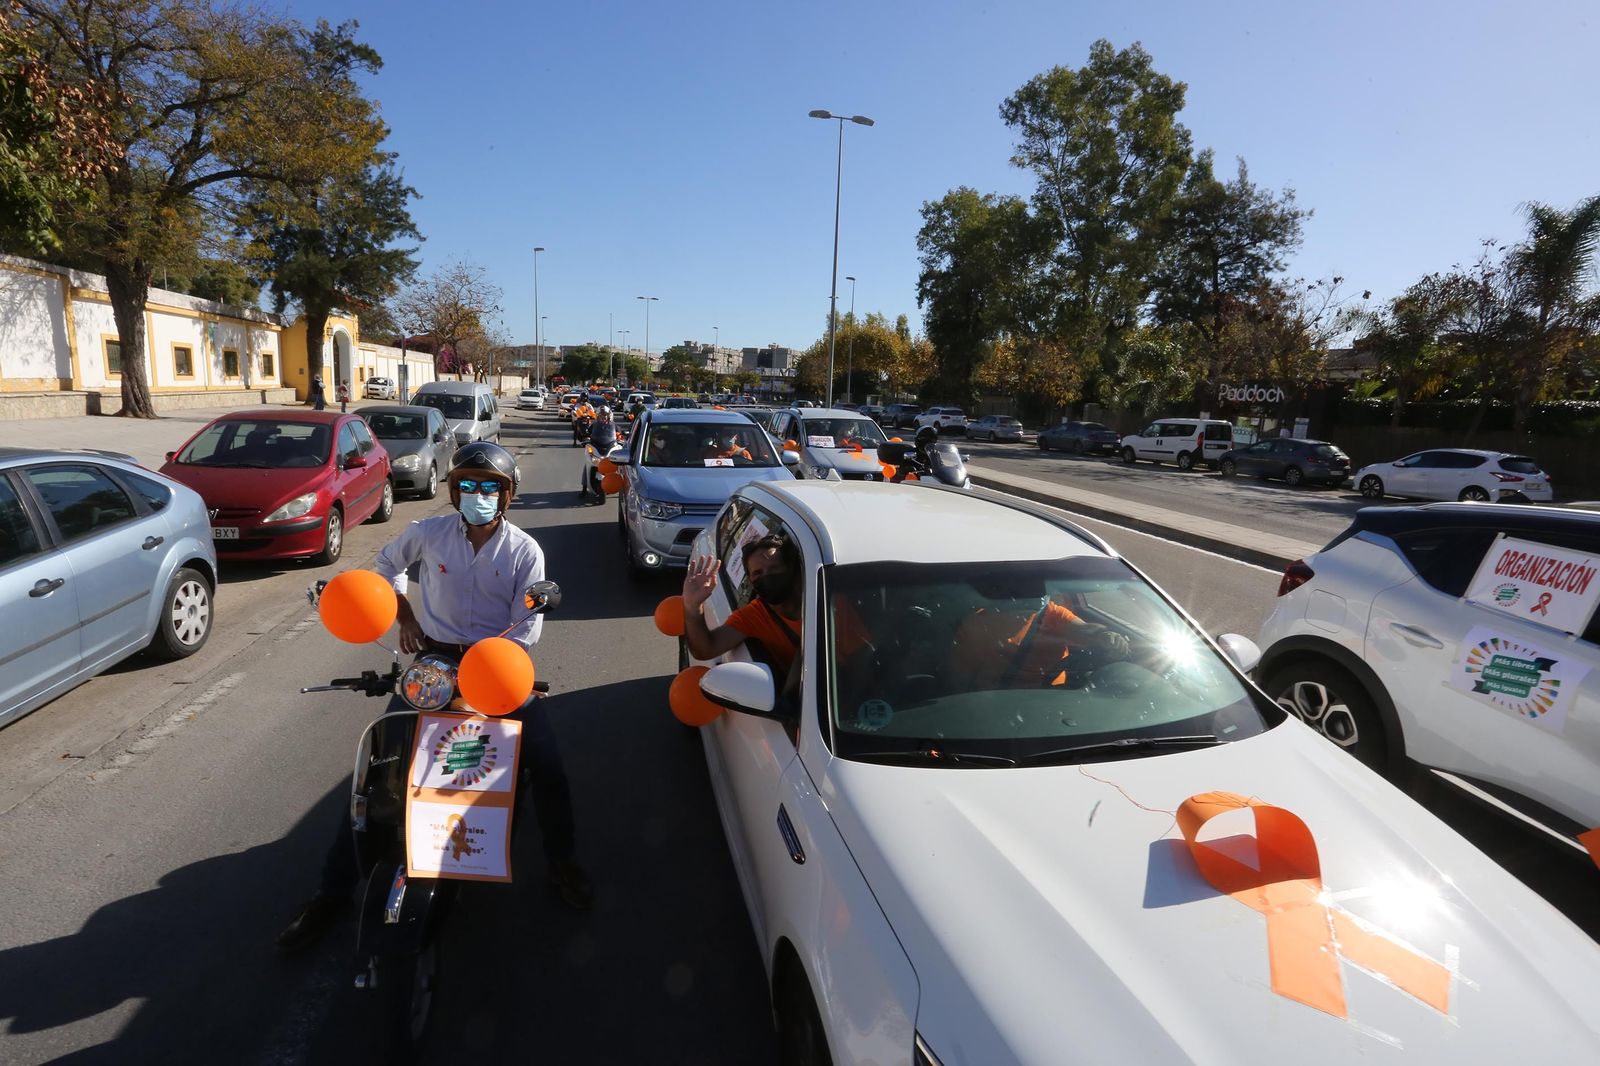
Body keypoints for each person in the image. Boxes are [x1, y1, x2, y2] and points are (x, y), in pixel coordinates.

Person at [276, 442, 594, 951]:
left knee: (548, 766)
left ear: (507, 495)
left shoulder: (524, 550)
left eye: (489, 486)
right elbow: (384, 568)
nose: (477, 494)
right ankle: (331, 893)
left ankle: (562, 861)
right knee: (378, 766)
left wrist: (488, 668)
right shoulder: (428, 532)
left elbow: (526, 626)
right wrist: (404, 615)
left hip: (497, 664)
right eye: (467, 484)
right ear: (453, 489)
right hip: (434, 663)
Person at [950, 583, 1130, 690]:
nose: (1038, 592)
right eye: (1029, 586)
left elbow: (1084, 629)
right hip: (999, 704)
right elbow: (959, 680)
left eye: (1041, 586)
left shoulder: (1053, 614)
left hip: (1053, 700)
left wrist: (1104, 635)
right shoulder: (978, 623)